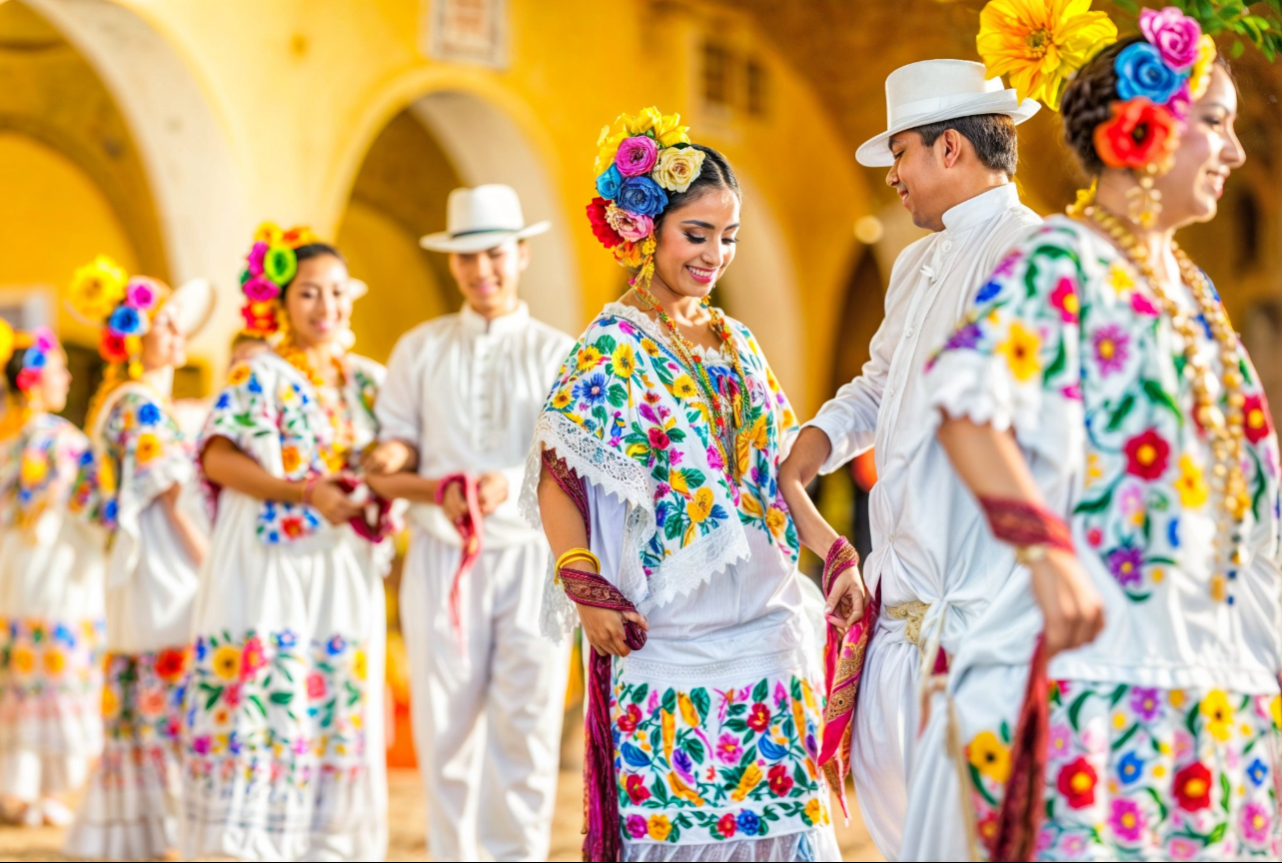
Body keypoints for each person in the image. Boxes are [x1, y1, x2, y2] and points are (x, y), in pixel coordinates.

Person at [908, 5, 1281, 859]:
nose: (1233, 152)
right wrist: (1046, 554)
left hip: (1209, 673)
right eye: (1214, 125)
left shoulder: (1191, 291)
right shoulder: (1064, 261)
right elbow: (965, 400)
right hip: (1106, 673)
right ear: (1142, 130)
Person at [526, 107, 841, 862]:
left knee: (779, 834)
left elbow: (775, 469)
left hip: (766, 635)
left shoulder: (737, 341)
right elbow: (557, 477)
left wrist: (831, 550)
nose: (714, 255)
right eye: (696, 235)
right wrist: (583, 584)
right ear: (645, 230)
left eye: (727, 237)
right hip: (668, 641)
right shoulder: (610, 347)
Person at [776, 58, 1042, 860]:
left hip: (975, 615)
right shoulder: (916, 262)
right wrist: (811, 445)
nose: (893, 176)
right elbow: (878, 385)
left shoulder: (1028, 253)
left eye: (900, 155)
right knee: (902, 835)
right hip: (894, 608)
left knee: (969, 839)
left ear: (950, 149)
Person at [364, 184, 572, 861]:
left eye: (493, 254)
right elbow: (396, 435)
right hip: (439, 551)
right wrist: (390, 454)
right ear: (451, 264)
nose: (481, 270)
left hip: (535, 558)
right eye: (466, 257)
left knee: (528, 722)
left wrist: (507, 481)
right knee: (443, 723)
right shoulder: (419, 347)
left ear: (521, 253)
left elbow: (573, 455)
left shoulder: (560, 352)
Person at [181, 224, 392, 861]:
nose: (326, 308)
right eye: (308, 294)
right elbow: (216, 459)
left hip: (340, 564)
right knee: (270, 687)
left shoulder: (366, 383)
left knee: (329, 692)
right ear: (281, 302)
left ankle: (324, 844)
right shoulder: (260, 375)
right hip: (270, 562)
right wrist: (303, 493)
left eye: (335, 292)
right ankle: (248, 845)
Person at [59, 258, 214, 859]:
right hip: (163, 569)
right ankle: (162, 834)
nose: (177, 335)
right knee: (165, 700)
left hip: (138, 569)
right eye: (164, 325)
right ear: (135, 335)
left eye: (177, 325)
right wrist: (212, 563)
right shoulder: (143, 406)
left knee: (140, 703)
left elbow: (86, 501)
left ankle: (138, 831)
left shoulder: (116, 403)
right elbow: (174, 499)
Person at [0, 318, 104, 827]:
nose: (68, 379)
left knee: (19, 668)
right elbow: (93, 509)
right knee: (57, 663)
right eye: (58, 370)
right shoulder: (63, 440)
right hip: (54, 563)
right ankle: (55, 787)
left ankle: (20, 788)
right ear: (35, 380)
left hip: (10, 563)